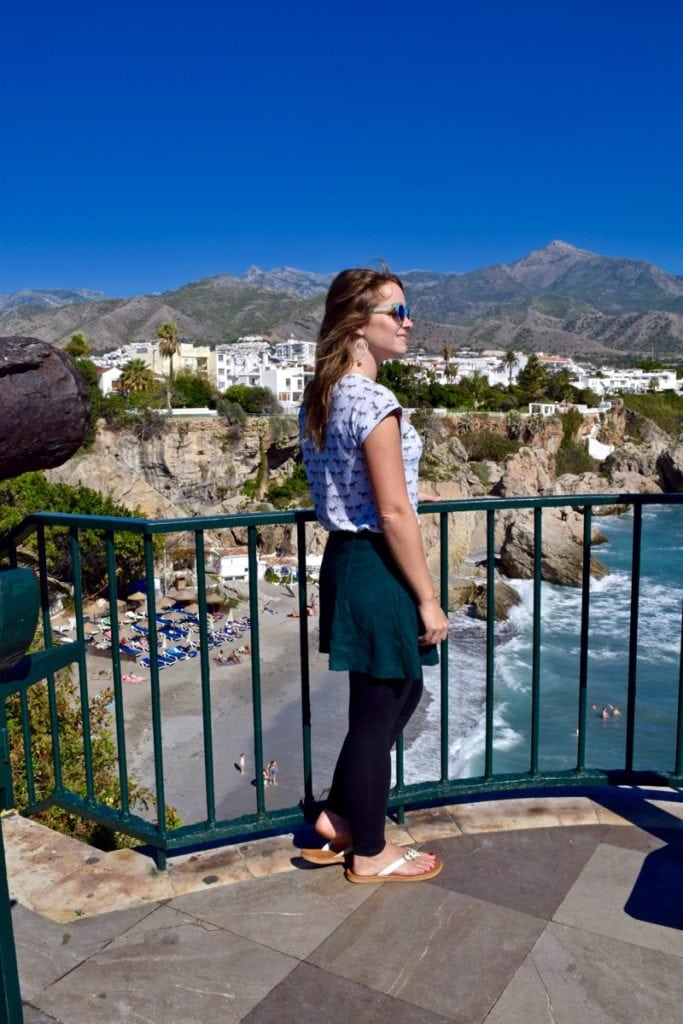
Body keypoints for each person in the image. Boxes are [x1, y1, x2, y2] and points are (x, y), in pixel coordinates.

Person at [298, 267, 448, 884]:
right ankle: (371, 851)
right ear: (359, 323)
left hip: (345, 559)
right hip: (377, 562)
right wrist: (429, 597)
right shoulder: (374, 400)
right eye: (396, 311)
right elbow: (392, 509)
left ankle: (337, 817)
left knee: (394, 697)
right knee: (378, 710)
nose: (408, 322)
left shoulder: (323, 394)